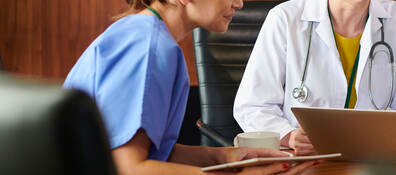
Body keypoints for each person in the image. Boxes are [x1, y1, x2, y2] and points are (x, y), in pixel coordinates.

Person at [62, 0, 317, 174]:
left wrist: (223, 157)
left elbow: (149, 154)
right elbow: (130, 168)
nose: (239, 3)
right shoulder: (151, 49)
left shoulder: (141, 34)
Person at [234, 0, 396, 156]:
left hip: (373, 158)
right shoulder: (285, 18)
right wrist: (290, 136)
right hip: (304, 160)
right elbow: (253, 106)